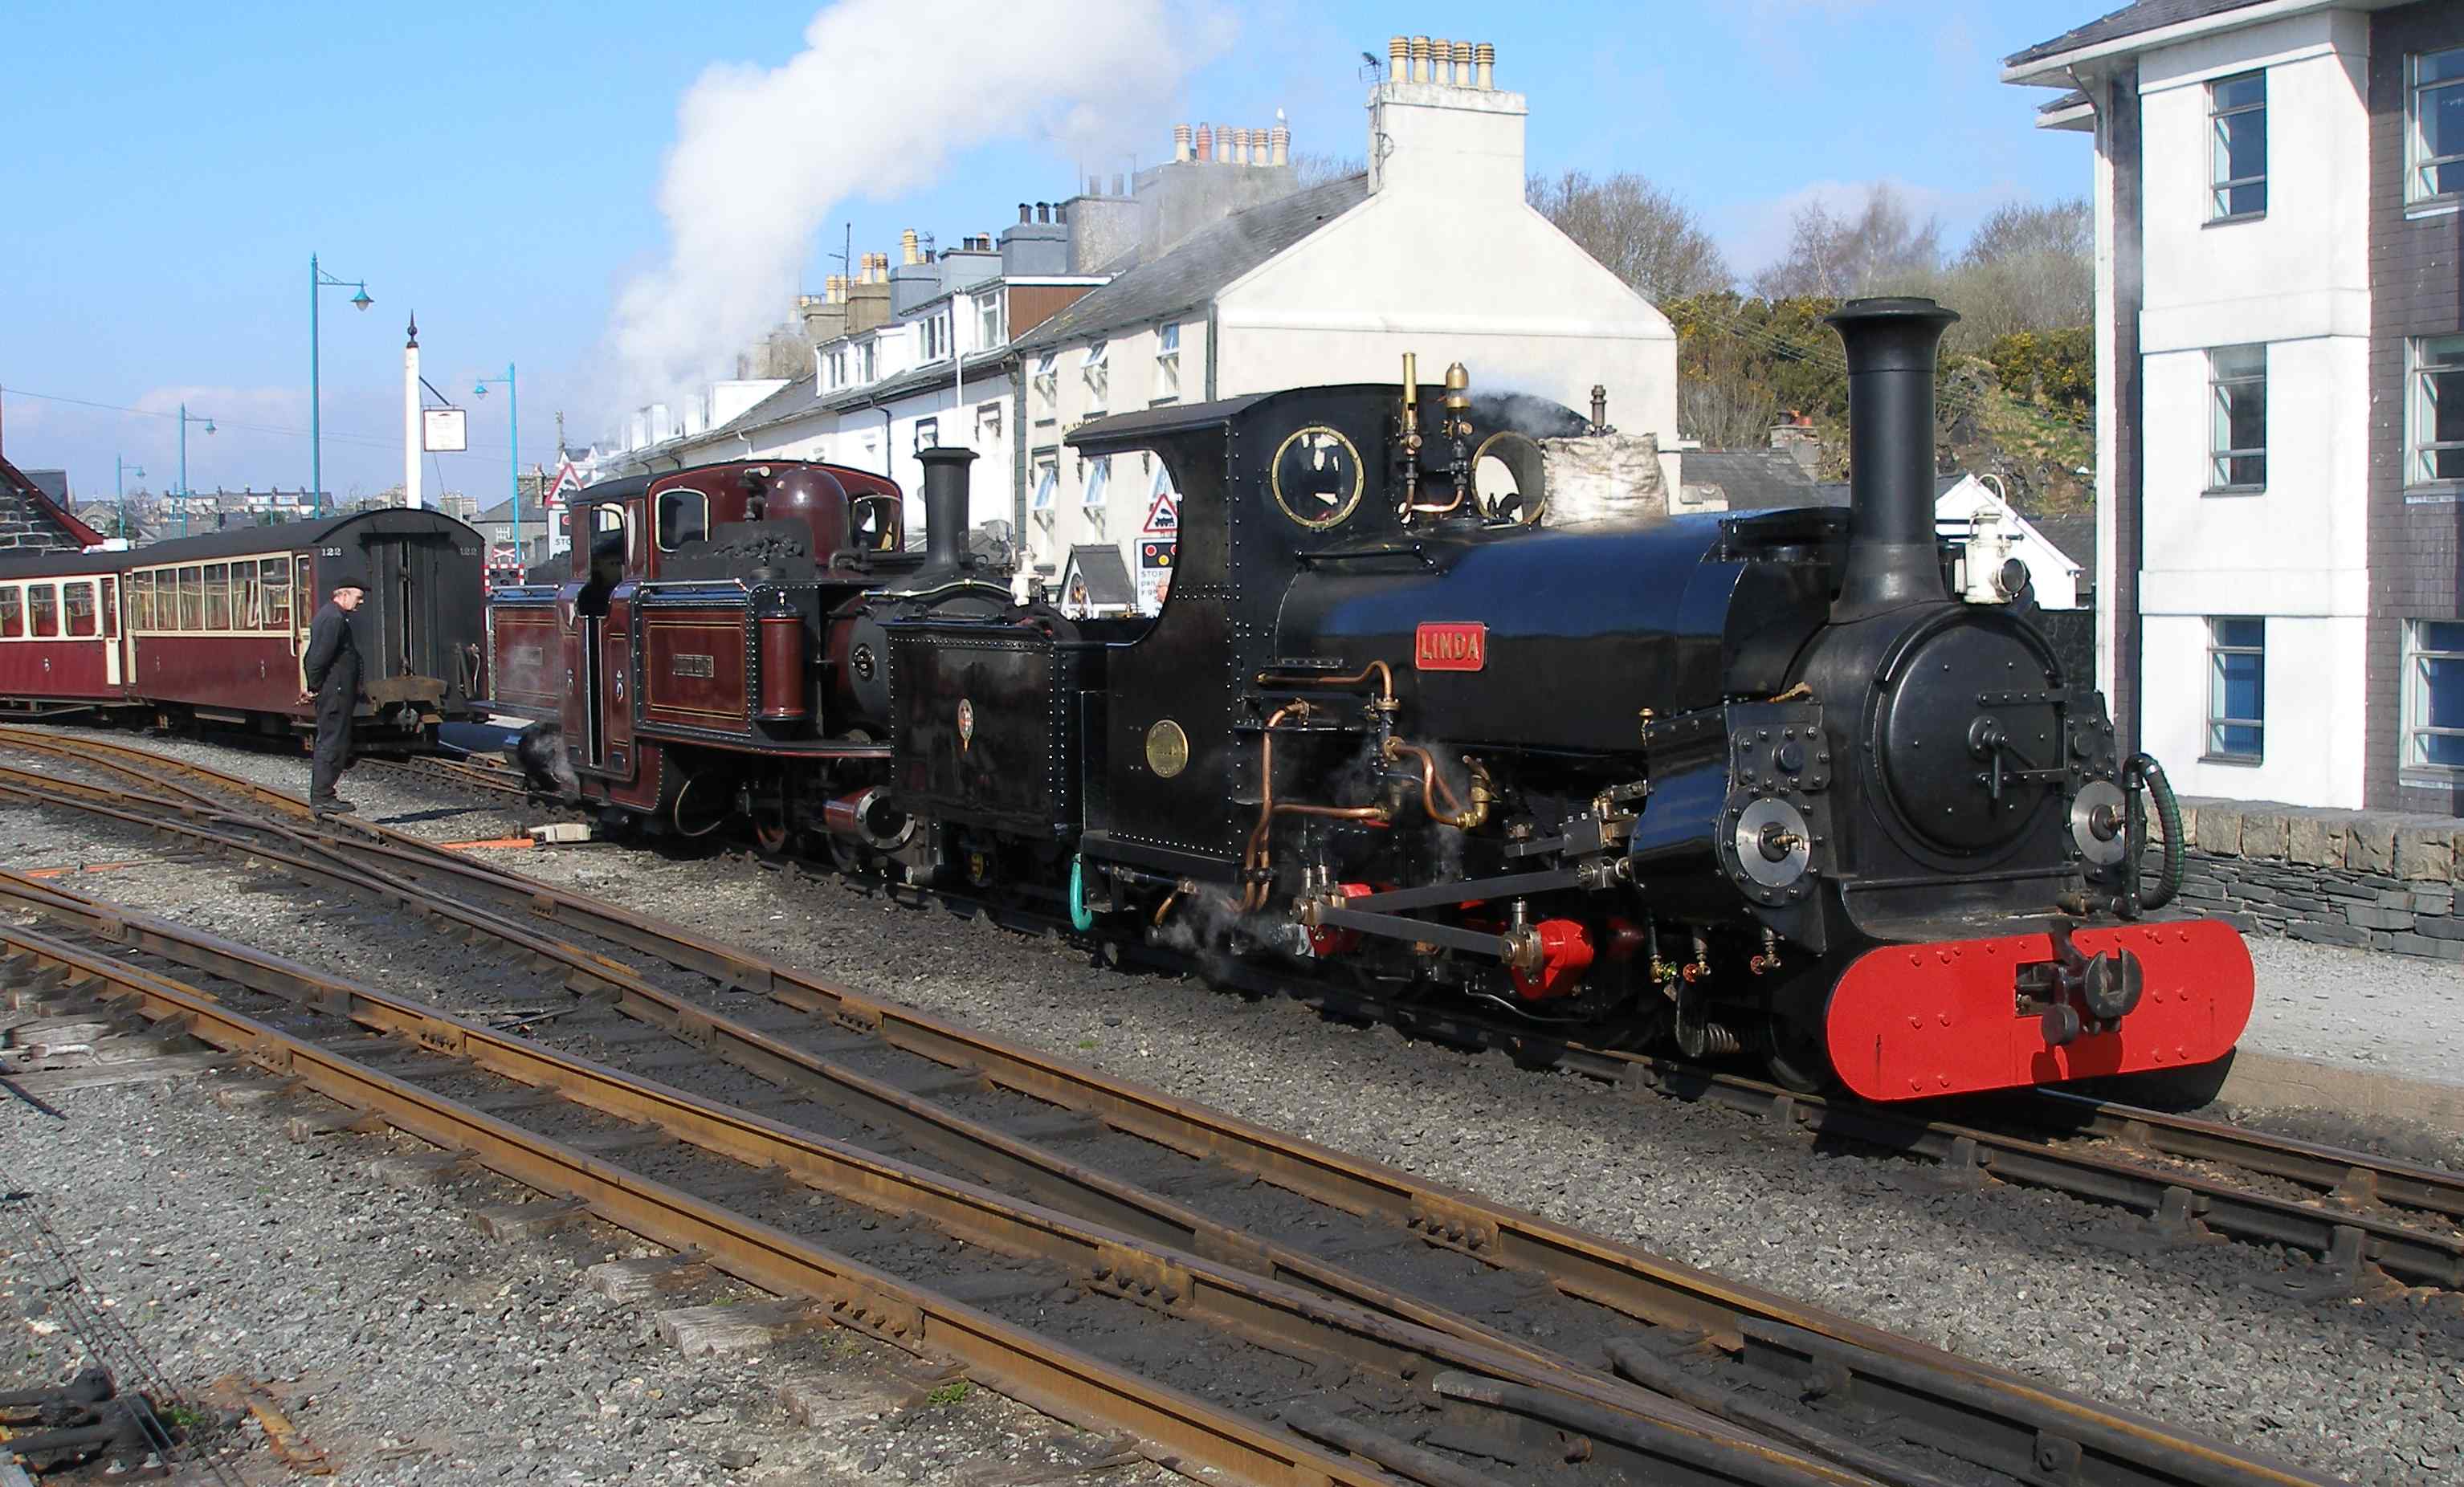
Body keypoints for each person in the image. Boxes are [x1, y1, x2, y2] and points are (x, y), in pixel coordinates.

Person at [300, 570, 367, 816]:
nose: (361, 602)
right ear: (344, 594)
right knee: (332, 742)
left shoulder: (333, 617)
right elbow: (316, 659)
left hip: (336, 690)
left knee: (334, 740)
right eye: (358, 597)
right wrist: (315, 687)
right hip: (334, 692)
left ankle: (324, 794)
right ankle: (323, 796)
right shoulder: (333, 619)